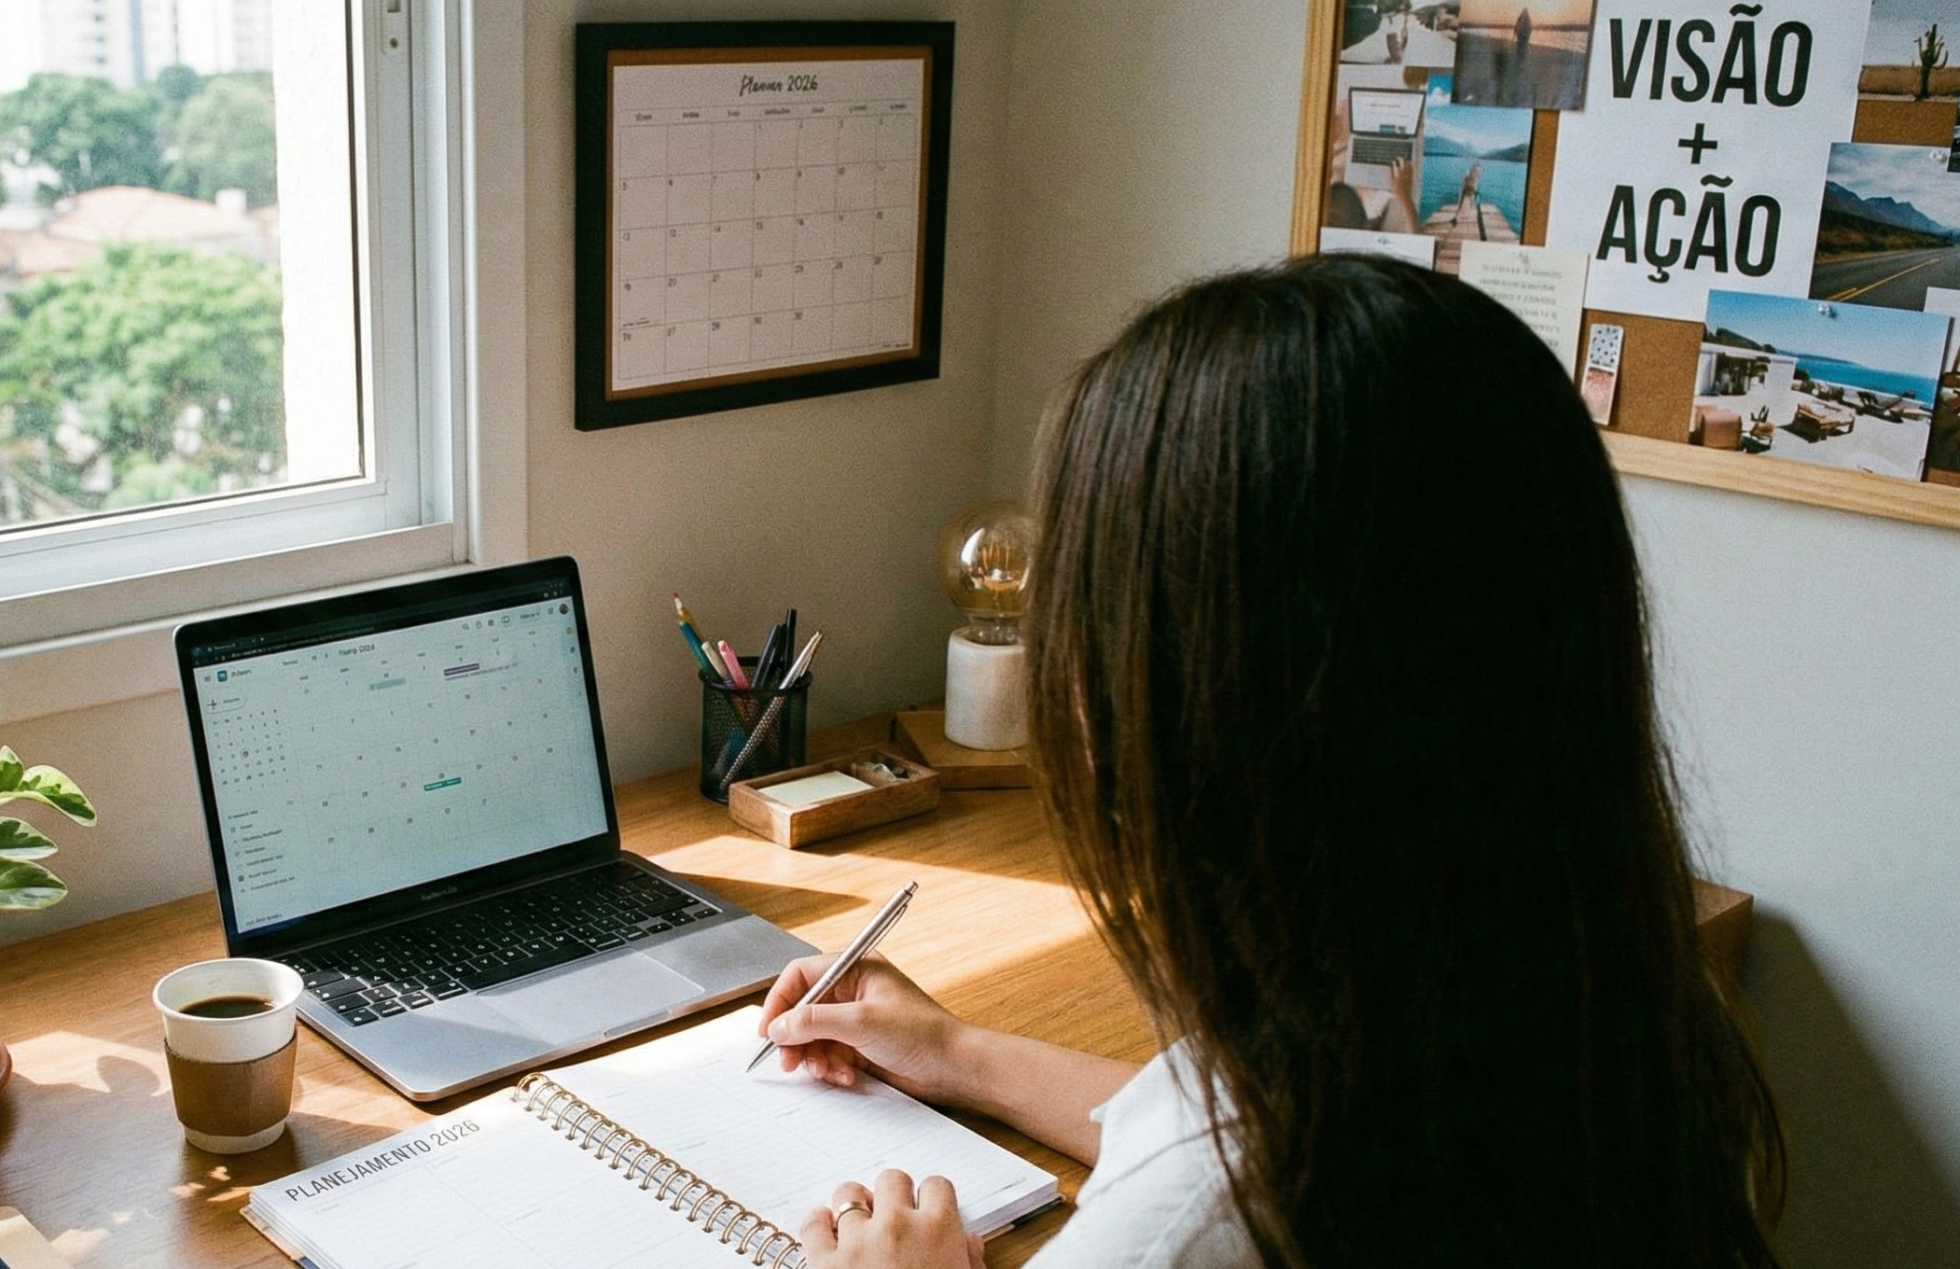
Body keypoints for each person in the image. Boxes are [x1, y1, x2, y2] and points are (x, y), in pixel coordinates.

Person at [757, 255, 1785, 1269]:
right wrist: (957, 1055)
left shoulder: (1181, 1235)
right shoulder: (1615, 1008)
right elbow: (1229, 1123)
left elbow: (1206, 1180)